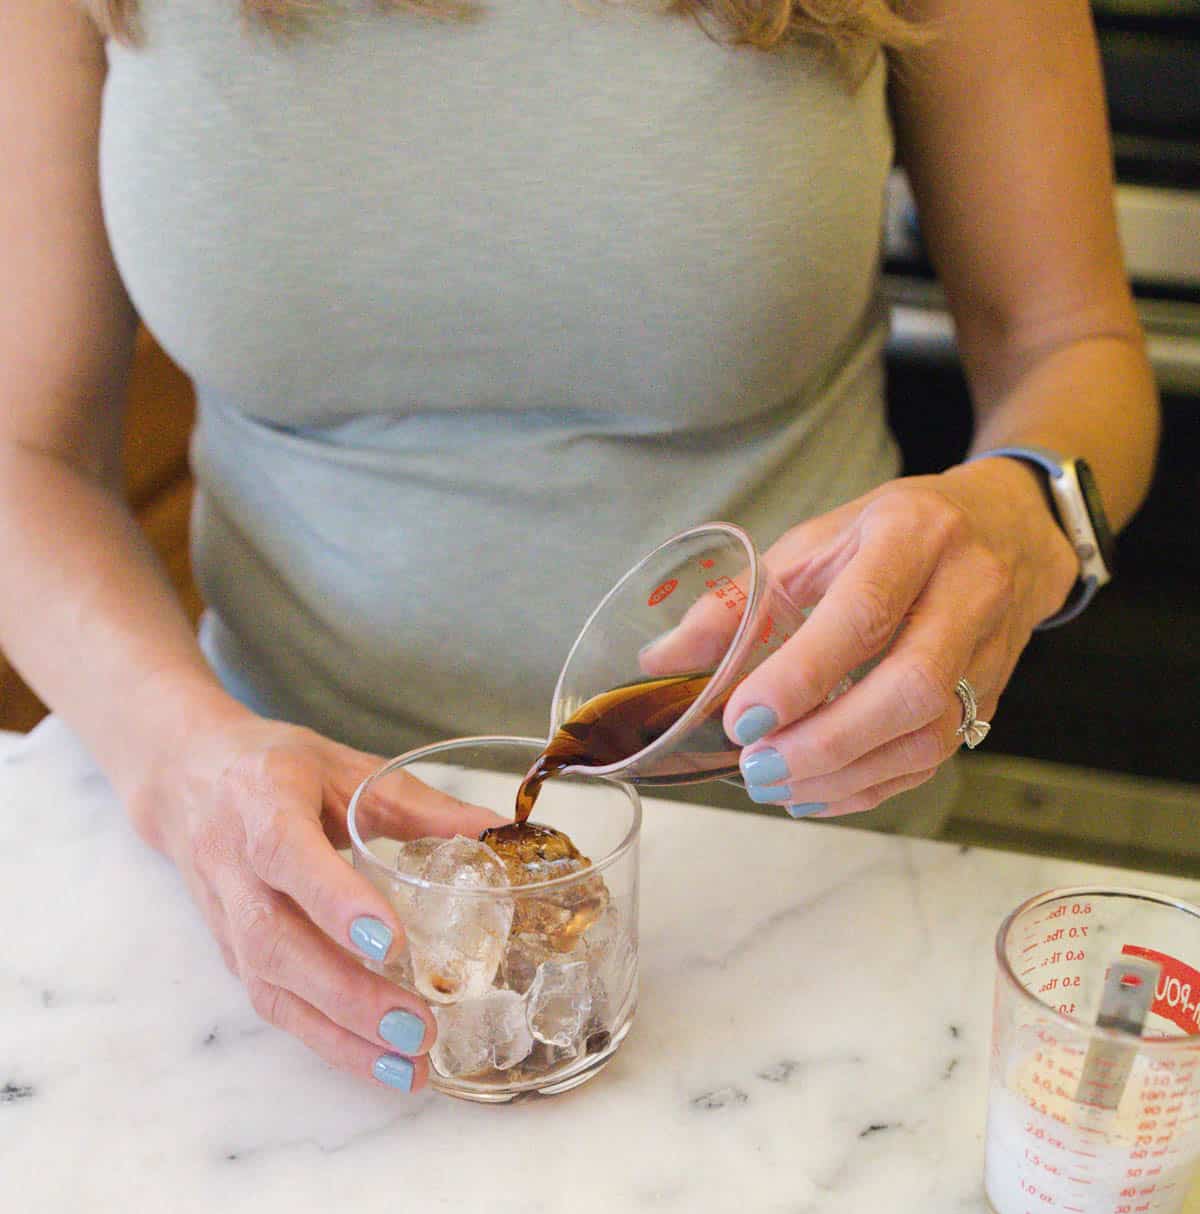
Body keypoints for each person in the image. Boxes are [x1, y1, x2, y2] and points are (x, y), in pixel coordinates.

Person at [0, 0, 1159, 1093]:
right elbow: (26, 457)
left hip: (803, 886)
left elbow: (1068, 339)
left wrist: (1022, 514)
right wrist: (185, 763)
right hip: (284, 887)